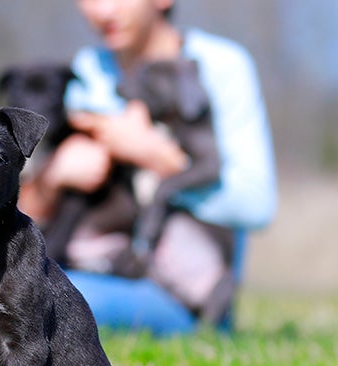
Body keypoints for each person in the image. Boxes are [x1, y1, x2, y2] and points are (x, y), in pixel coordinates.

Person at [16, 0, 277, 335]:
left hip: (185, 290)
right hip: (100, 268)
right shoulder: (90, 69)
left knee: (30, 301)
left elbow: (257, 205)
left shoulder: (222, 65)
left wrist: (157, 158)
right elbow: (42, 205)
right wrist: (54, 176)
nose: (104, 11)